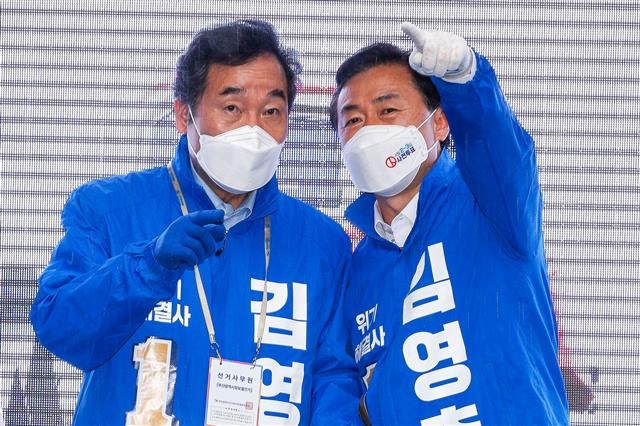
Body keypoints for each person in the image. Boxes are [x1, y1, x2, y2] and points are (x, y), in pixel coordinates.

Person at [31, 19, 363, 425]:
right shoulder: (108, 208)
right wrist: (148, 266)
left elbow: (333, 377)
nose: (253, 129)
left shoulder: (321, 242)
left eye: (271, 111)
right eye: (232, 108)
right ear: (183, 114)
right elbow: (61, 331)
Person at [329, 22, 569, 425]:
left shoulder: (489, 204)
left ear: (439, 123)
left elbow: (499, 148)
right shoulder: (356, 270)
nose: (369, 130)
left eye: (388, 111)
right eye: (353, 120)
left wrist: (466, 80)